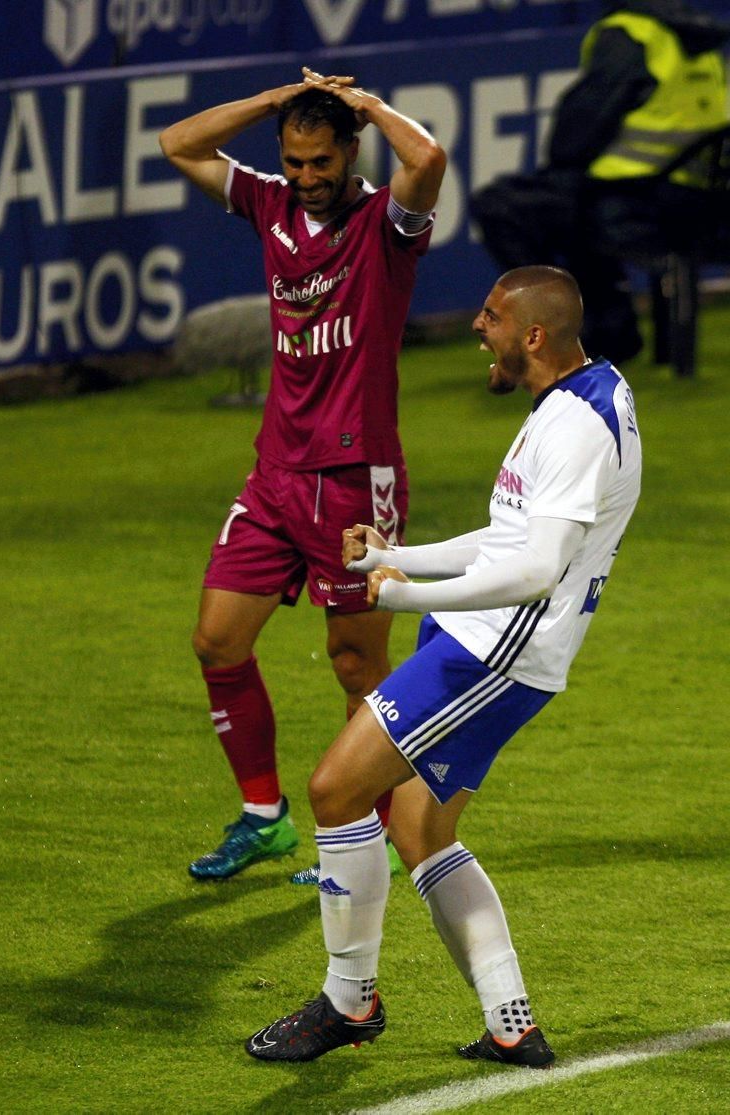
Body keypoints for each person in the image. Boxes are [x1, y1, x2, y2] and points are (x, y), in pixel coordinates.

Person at [244, 266, 642, 1066]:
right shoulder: (579, 399)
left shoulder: (577, 427)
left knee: (334, 788)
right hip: (480, 636)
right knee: (421, 825)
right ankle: (511, 1022)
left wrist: (399, 598)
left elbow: (535, 569)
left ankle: (348, 1000)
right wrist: (396, 557)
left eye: (490, 317)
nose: (476, 328)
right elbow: (509, 536)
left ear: (534, 335)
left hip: (493, 652)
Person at [159, 69, 447, 881]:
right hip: (276, 474)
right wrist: (273, 101)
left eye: (321, 162)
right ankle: (264, 816)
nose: (307, 179)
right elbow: (178, 143)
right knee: (217, 641)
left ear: (351, 151)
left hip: (358, 481)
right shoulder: (271, 205)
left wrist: (370, 104)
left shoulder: (386, 226)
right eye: (294, 161)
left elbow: (428, 159)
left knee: (357, 664)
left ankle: (378, 830)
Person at [471, 0, 729, 366]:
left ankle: (570, 333)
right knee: (561, 201)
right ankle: (610, 328)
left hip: (633, 204)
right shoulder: (696, 34)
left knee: (501, 207)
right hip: (701, 202)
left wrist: (563, 166)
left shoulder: (629, 33)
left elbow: (581, 123)